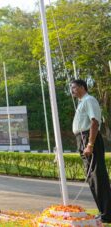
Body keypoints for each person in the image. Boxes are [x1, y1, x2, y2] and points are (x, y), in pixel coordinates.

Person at [71, 79, 111, 223]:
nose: (72, 90)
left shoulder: (89, 100)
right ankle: (103, 211)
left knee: (97, 175)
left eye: (74, 87)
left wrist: (90, 144)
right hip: (82, 138)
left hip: (89, 138)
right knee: (92, 177)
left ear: (82, 87)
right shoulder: (82, 102)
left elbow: (94, 122)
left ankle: (107, 213)